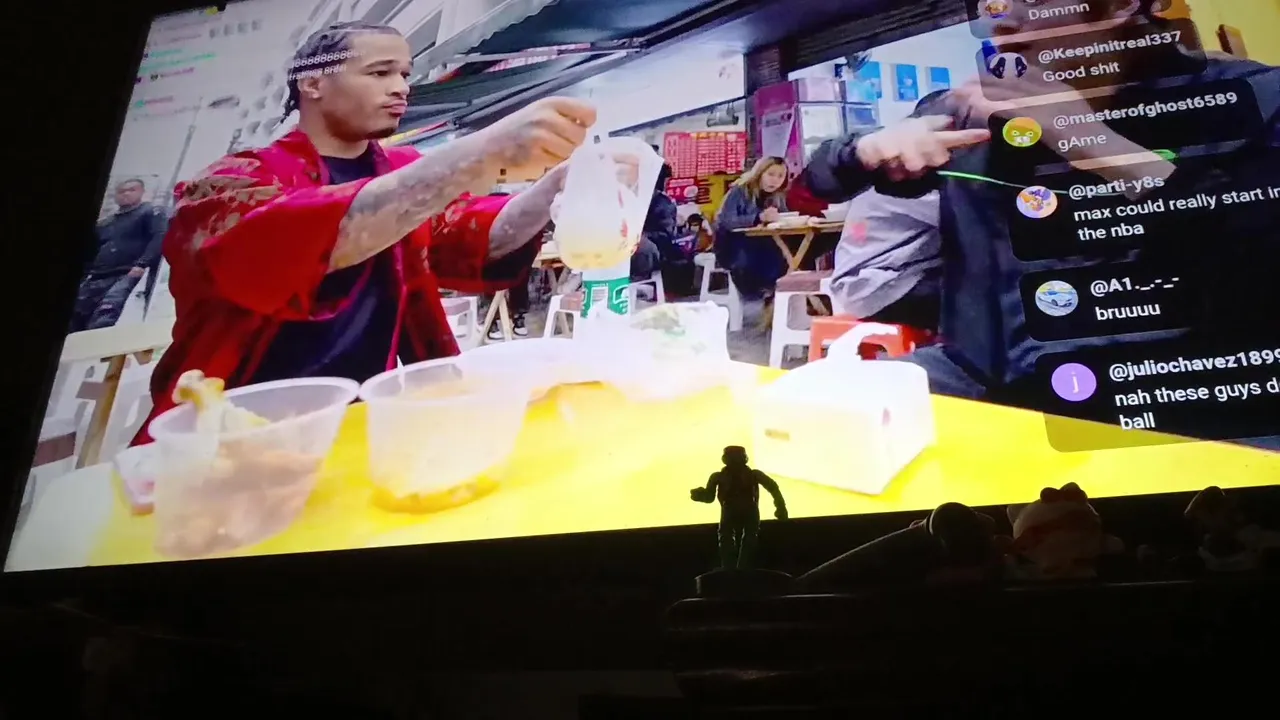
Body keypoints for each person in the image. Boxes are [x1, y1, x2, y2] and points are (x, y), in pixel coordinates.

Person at [793, 0, 1280, 445]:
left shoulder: (1252, 98)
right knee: (804, 429)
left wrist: (1099, 146)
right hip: (988, 388)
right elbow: (814, 184)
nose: (1000, 16)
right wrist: (865, 152)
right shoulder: (967, 111)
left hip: (1178, 403)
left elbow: (1256, 257)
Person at [132, 21, 596, 444]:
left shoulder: (401, 168)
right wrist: (479, 152)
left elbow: (469, 236)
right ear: (313, 82)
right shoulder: (233, 180)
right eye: (379, 73)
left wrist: (553, 188)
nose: (401, 88)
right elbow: (294, 242)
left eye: (405, 74)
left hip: (365, 421)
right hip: (230, 433)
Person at [819, 91, 949, 331]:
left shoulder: (902, 163)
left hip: (881, 279)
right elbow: (961, 214)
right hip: (876, 286)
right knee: (987, 293)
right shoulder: (904, 169)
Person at [70, 179, 168, 332]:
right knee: (76, 317)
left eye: (131, 190)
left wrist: (142, 264)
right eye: (121, 191)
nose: (126, 194)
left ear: (142, 192)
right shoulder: (105, 222)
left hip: (126, 273)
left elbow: (159, 236)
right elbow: (90, 252)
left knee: (105, 315)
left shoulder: (150, 212)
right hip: (96, 277)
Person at [690, 446, 788, 570]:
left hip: (735, 510)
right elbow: (773, 487)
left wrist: (781, 507)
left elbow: (709, 497)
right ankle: (736, 567)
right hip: (741, 510)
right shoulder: (749, 475)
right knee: (739, 537)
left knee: (733, 536)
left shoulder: (721, 476)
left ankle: (734, 567)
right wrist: (780, 507)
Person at [715, 156, 791, 298]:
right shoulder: (740, 191)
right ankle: (760, 293)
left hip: (766, 243)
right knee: (762, 256)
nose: (775, 180)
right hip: (734, 246)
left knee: (786, 252)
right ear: (760, 173)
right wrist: (758, 218)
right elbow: (727, 220)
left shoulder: (778, 196)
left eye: (780, 176)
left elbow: (782, 216)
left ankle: (779, 294)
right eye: (771, 174)